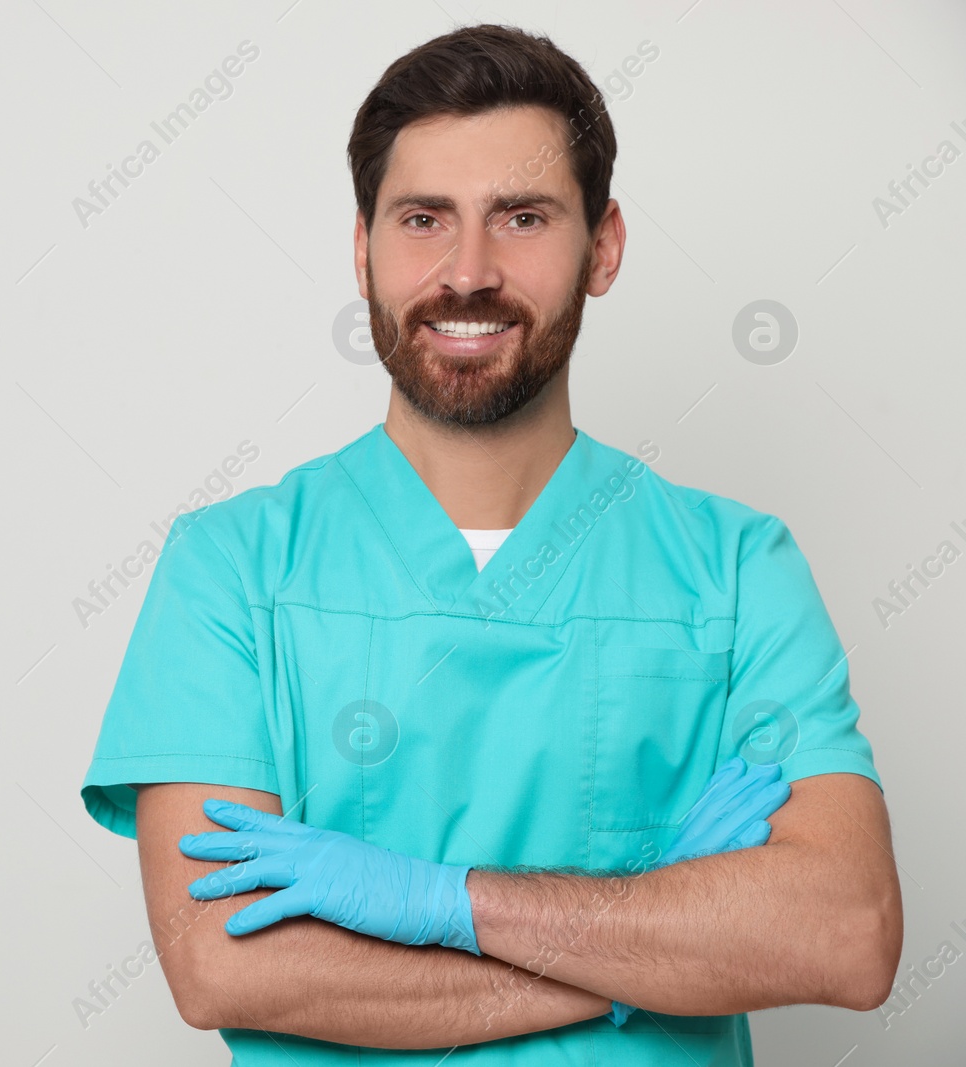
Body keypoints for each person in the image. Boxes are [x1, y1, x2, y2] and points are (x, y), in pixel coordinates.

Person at [79, 23, 901, 1066]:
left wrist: (438, 902)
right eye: (423, 219)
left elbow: (846, 934)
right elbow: (225, 965)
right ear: (361, 246)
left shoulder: (736, 568)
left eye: (520, 217)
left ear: (601, 247)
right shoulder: (232, 570)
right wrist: (641, 946)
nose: (467, 272)